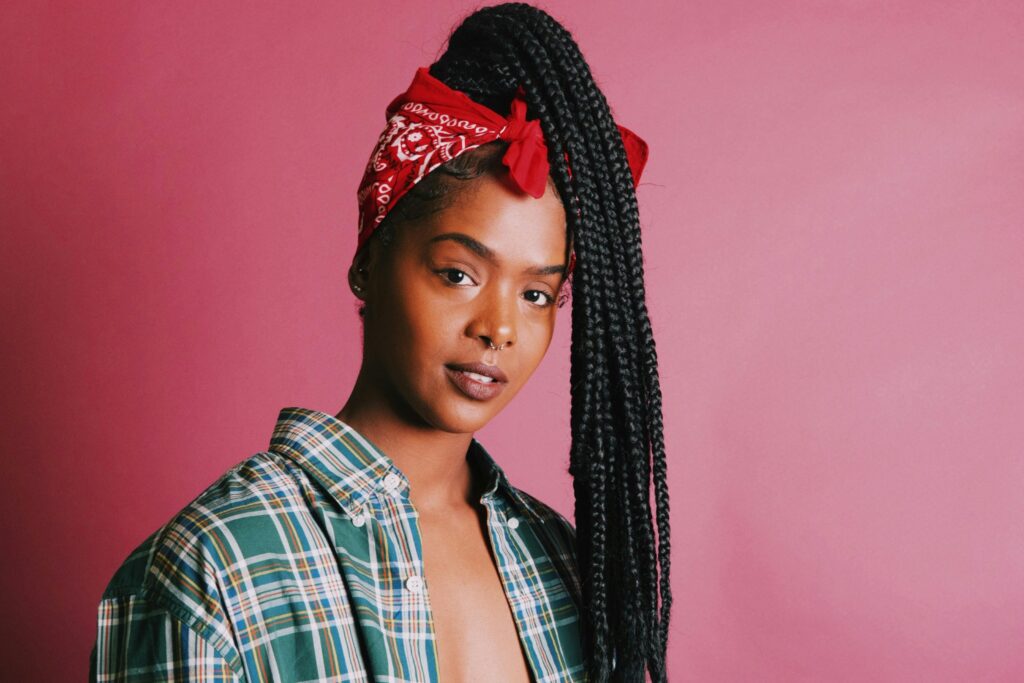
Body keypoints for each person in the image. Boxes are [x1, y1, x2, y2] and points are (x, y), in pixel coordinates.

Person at [89, 3, 671, 681]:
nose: (500, 327)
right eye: (458, 273)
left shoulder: (567, 564)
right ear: (369, 257)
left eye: (537, 293)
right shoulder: (215, 569)